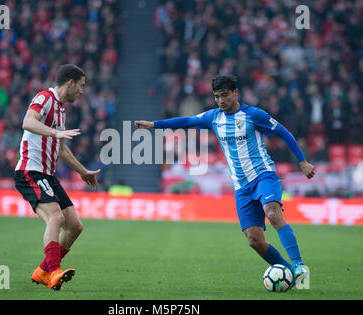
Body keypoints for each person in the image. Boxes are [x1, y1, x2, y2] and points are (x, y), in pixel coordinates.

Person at [135, 74, 315, 288]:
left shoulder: (253, 115)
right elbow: (186, 121)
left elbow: (284, 133)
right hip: (241, 187)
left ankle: (298, 265)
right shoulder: (213, 117)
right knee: (254, 240)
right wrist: (153, 125)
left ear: (235, 93)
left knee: (272, 213)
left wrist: (302, 162)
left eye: (224, 95)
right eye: (217, 96)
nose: (220, 100)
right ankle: (291, 276)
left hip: (262, 175)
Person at [14, 64, 100, 290]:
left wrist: (83, 171)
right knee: (56, 217)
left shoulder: (61, 110)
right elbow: (28, 122)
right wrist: (54, 132)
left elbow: (61, 149)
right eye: (81, 86)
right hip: (30, 171)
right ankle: (53, 272)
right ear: (70, 83)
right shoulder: (44, 97)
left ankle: (43, 271)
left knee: (75, 226)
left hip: (47, 175)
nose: (82, 91)